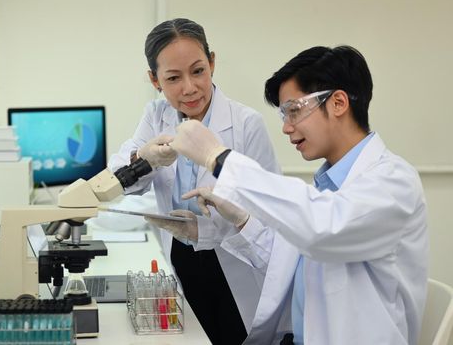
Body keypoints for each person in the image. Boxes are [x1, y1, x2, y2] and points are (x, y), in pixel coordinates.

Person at [170, 45, 429, 344]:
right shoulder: (328, 186)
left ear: (338, 102)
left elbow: (324, 230)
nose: (285, 127)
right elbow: (290, 258)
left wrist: (219, 158)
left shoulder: (393, 182)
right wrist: (241, 219)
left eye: (294, 110)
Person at [108, 18, 280, 344]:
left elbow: (270, 218)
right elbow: (121, 179)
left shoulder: (246, 124)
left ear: (212, 63)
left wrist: (207, 229)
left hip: (234, 263)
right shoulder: (156, 116)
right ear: (154, 80)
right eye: (173, 78)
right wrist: (142, 160)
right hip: (181, 258)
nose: (189, 87)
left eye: (198, 71)